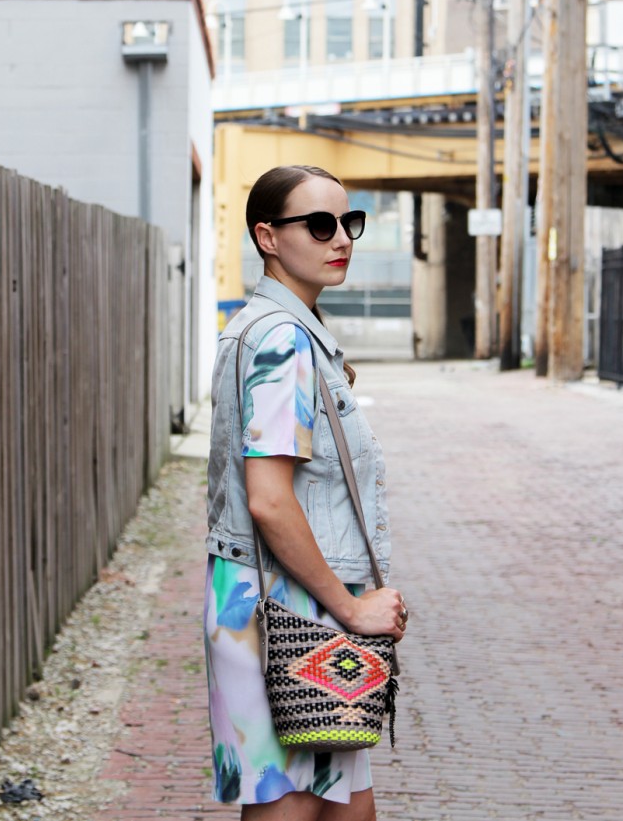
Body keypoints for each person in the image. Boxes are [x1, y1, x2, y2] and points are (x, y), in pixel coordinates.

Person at [204, 165, 408, 821]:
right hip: (285, 606)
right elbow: (268, 497)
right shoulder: (281, 341)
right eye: (320, 225)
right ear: (267, 236)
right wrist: (350, 610)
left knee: (345, 804)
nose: (341, 238)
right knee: (291, 803)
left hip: (277, 596)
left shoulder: (279, 329)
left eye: (349, 222)